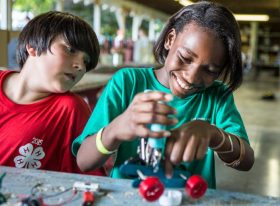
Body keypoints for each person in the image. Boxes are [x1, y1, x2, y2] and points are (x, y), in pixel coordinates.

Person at [72, 1, 254, 188]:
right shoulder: (128, 82)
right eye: (185, 58)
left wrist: (214, 134)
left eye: (210, 70)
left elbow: (246, 162)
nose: (191, 77)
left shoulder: (217, 96)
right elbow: (84, 162)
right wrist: (116, 129)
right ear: (170, 39)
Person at [0, 11, 106, 175]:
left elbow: (92, 183)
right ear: (32, 47)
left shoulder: (70, 109)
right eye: (70, 50)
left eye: (86, 62)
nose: (81, 66)